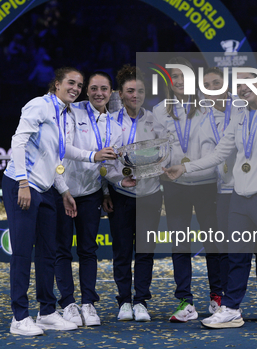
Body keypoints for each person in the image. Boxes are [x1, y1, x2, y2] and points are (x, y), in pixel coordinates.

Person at [164, 70, 257, 330]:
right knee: (236, 256)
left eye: (248, 82)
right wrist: (184, 168)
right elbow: (220, 152)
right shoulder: (239, 117)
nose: (244, 88)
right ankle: (232, 309)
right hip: (239, 197)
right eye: (240, 84)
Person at [2, 67, 84, 336]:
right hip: (21, 184)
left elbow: (58, 156)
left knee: (48, 252)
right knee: (23, 252)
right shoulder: (39, 105)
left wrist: (64, 191)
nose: (75, 88)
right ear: (57, 84)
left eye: (79, 85)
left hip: (47, 189)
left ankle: (47, 311)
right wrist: (23, 184)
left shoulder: (66, 117)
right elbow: (18, 142)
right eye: (71, 83)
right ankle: (19, 317)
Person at [201, 67, 257, 323]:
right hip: (223, 191)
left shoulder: (244, 108)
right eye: (208, 85)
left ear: (226, 88)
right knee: (230, 250)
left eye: (217, 83)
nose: (214, 88)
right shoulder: (198, 115)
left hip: (256, 188)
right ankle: (229, 304)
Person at [152, 56, 223, 322]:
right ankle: (185, 302)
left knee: (213, 243)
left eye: (184, 76)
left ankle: (218, 297)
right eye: (175, 77)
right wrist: (158, 167)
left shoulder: (209, 106)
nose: (179, 81)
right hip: (175, 186)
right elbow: (157, 148)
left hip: (207, 185)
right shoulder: (160, 110)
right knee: (179, 244)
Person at [54, 71, 123, 327]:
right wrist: (62, 190)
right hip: (64, 191)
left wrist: (105, 192)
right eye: (93, 88)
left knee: (88, 250)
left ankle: (88, 304)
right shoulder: (72, 112)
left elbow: (107, 164)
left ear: (110, 92)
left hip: (91, 194)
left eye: (103, 89)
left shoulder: (114, 126)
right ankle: (69, 304)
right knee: (62, 249)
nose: (98, 93)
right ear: (87, 91)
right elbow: (62, 149)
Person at [103, 65, 163, 322]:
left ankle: (141, 302)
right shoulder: (110, 121)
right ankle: (124, 301)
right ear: (120, 93)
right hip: (121, 195)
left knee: (145, 251)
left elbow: (165, 154)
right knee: (122, 250)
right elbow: (103, 161)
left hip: (150, 194)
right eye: (130, 90)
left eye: (139, 90)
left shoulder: (155, 120)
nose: (135, 95)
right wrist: (113, 184)